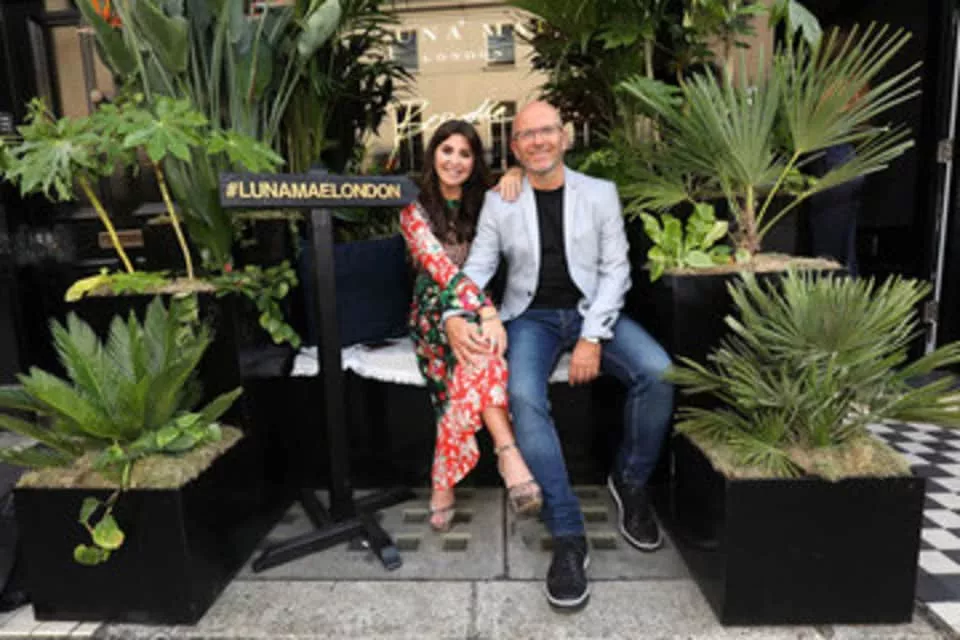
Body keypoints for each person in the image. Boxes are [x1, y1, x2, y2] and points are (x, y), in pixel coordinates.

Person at [445, 101, 673, 609]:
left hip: (593, 311)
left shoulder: (600, 193)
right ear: (515, 147)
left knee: (659, 372)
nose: (538, 141)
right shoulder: (500, 201)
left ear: (564, 136)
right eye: (526, 135)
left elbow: (616, 270)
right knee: (524, 396)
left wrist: (592, 336)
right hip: (531, 317)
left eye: (546, 131)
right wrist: (455, 313)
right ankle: (568, 534)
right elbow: (478, 267)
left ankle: (630, 483)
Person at [399, 120, 542, 532]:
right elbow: (440, 268)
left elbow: (531, 190)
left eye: (465, 153)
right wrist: (486, 312)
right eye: (447, 151)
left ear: (475, 161)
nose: (455, 161)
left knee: (479, 357)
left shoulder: (487, 201)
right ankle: (508, 452)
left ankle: (445, 480)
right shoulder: (413, 207)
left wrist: (516, 172)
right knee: (483, 347)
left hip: (477, 308)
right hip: (433, 307)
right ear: (433, 154)